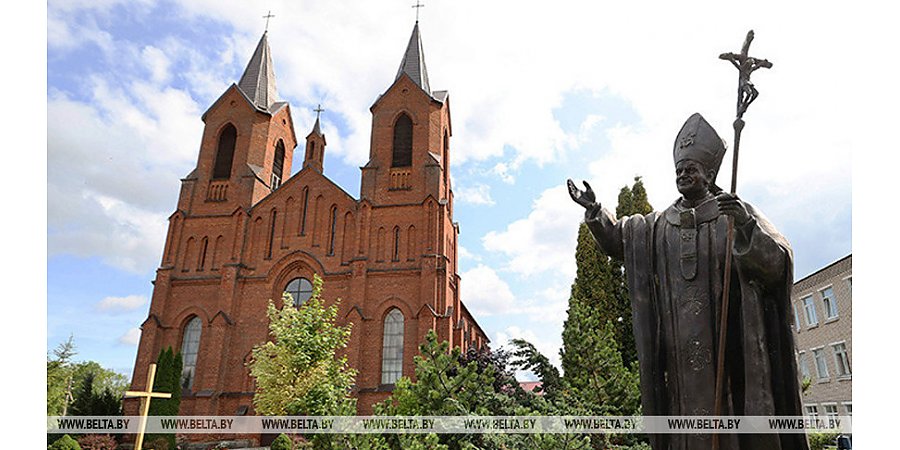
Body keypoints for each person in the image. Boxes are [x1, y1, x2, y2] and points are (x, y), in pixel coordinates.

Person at [567, 113, 808, 450]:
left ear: (709, 174)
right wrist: (595, 211)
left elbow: (778, 262)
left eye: (691, 169)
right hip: (676, 357)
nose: (683, 174)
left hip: (731, 349)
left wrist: (745, 227)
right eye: (679, 170)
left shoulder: (735, 212)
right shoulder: (657, 225)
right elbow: (619, 239)